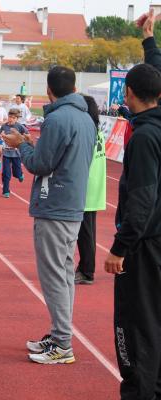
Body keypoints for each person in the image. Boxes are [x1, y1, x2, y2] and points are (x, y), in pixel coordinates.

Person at [2, 66, 95, 365]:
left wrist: (21, 147)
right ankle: (59, 335)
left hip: (54, 204)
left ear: (49, 89)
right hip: (72, 204)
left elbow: (41, 165)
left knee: (54, 275)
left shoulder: (56, 118)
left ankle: (63, 343)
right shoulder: (86, 117)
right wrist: (31, 143)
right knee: (65, 273)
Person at [104, 63, 161, 400]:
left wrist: (120, 247)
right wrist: (149, 41)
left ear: (128, 94)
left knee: (134, 327)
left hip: (143, 247)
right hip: (156, 241)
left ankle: (140, 392)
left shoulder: (143, 137)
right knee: (154, 323)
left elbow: (142, 198)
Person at [74, 95, 106, 285]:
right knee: (88, 231)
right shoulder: (97, 129)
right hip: (95, 186)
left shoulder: (87, 130)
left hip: (86, 185)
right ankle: (85, 267)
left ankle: (87, 271)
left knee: (84, 233)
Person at [0, 108, 26, 198]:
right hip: (6, 153)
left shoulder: (19, 126)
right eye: (10, 117)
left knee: (16, 173)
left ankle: (20, 174)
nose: (11, 119)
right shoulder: (4, 126)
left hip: (16, 154)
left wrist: (21, 139)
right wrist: (1, 136)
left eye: (13, 118)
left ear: (17, 119)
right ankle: (5, 191)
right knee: (6, 173)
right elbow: (0, 135)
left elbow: (27, 135)